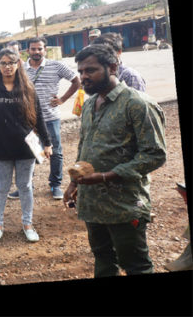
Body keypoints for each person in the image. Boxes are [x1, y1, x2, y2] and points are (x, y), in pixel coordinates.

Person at [63, 44, 167, 277]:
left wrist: (104, 176)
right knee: (103, 259)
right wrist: (74, 182)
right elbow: (85, 146)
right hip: (92, 203)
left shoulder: (138, 104)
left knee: (136, 265)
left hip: (124, 205)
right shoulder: (90, 104)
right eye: (80, 72)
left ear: (112, 67)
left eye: (90, 70)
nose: (83, 77)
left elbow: (155, 154)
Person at [0, 49, 53, 242]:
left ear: (18, 64)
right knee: (1, 187)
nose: (7, 67)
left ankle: (28, 224)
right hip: (1, 148)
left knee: (25, 186)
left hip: (26, 148)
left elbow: (39, 118)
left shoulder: (28, 88)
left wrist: (47, 143)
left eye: (11, 62)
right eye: (3, 63)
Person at [11, 36, 80, 200]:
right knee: (27, 153)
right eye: (33, 49)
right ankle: (25, 186)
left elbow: (77, 81)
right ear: (27, 51)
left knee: (55, 152)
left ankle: (55, 185)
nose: (36, 52)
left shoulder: (56, 66)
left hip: (50, 118)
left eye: (39, 48)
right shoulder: (20, 68)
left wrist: (62, 99)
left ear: (45, 50)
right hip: (27, 120)